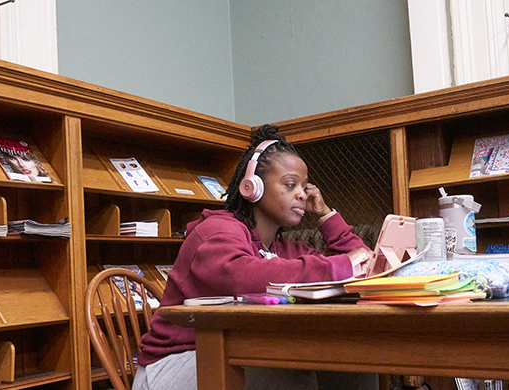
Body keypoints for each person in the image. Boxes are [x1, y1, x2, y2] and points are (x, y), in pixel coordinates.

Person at [132, 124, 377, 390]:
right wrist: (338, 267)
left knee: (352, 365)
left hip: (235, 350)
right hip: (174, 363)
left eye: (305, 187)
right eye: (291, 184)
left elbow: (364, 262)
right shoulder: (215, 231)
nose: (302, 194)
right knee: (287, 374)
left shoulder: (286, 248)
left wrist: (326, 215)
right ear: (252, 188)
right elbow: (245, 275)